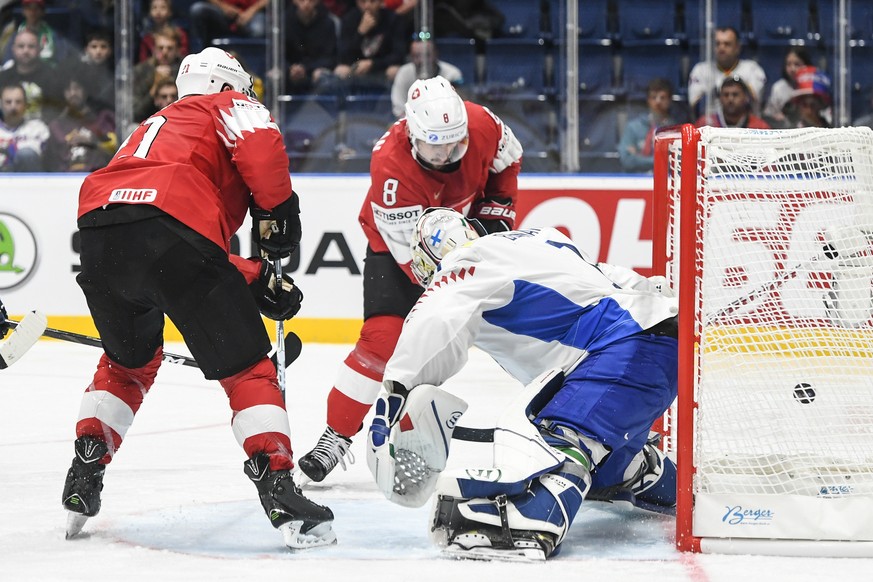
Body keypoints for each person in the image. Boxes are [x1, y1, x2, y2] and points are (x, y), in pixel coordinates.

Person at [60, 47, 336, 549]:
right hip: (172, 234)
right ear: (228, 84)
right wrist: (278, 219)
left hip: (100, 236)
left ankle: (85, 466)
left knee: (127, 365)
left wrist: (253, 278)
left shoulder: (153, 125)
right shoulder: (228, 106)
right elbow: (258, 151)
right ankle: (279, 488)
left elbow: (163, 236)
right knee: (249, 369)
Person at [366, 207, 679, 560]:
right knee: (607, 465)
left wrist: (396, 389)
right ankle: (676, 489)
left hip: (626, 350)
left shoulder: (463, 265)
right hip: (657, 344)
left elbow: (435, 318)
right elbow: (616, 278)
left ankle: (533, 520)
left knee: (562, 437)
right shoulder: (540, 239)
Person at [297, 75, 523, 484]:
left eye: (454, 145)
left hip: (465, 231)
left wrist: (496, 210)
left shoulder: (483, 124)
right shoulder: (391, 169)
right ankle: (337, 435)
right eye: (434, 146)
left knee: (520, 327)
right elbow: (414, 264)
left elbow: (508, 161)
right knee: (384, 340)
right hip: (398, 250)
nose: (445, 156)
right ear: (412, 133)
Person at [687, 26, 767, 118]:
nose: (721, 48)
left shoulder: (752, 69)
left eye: (727, 44)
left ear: (737, 47)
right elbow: (695, 105)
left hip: (744, 127)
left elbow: (754, 102)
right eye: (717, 44)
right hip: (710, 126)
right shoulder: (700, 70)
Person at [331, 0, 407, 94]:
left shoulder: (393, 19)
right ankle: (344, 107)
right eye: (363, 2)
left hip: (382, 68)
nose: (367, 5)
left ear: (380, 2)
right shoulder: (349, 19)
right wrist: (360, 33)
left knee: (395, 71)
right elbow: (343, 56)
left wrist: (373, 64)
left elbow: (399, 54)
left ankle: (391, 105)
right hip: (355, 68)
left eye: (372, 1)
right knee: (341, 71)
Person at [46, 77, 117, 172]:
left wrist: (93, 141)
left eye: (77, 88)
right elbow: (51, 162)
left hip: (98, 176)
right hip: (64, 180)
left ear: (86, 90)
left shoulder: (104, 118)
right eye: (68, 90)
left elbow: (116, 149)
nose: (73, 93)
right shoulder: (56, 126)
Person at [618, 78, 681, 173]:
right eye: (654, 97)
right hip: (636, 182)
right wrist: (662, 160)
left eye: (662, 97)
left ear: (669, 100)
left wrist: (638, 157)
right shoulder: (633, 127)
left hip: (667, 181)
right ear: (648, 100)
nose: (658, 102)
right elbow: (627, 160)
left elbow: (680, 162)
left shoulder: (677, 131)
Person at [0, 28, 63, 121]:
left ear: (39, 49)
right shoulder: (3, 77)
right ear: (13, 49)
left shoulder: (52, 77)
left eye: (31, 46)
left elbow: (57, 112)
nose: (26, 51)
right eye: (21, 46)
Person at [390, 39, 463, 118]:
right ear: (411, 57)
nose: (422, 60)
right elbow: (399, 108)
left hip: (445, 123)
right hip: (412, 124)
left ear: (436, 54)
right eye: (417, 56)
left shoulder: (452, 74)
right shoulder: (404, 73)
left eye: (427, 55)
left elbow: (458, 108)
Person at [284, 0, 338, 95]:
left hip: (315, 69)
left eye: (310, 0)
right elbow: (277, 54)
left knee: (323, 76)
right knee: (274, 74)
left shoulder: (328, 22)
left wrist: (307, 68)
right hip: (290, 70)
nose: (306, 4)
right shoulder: (284, 22)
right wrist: (290, 68)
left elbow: (330, 57)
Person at [60, 28, 115, 116]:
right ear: (86, 49)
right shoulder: (77, 70)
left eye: (103, 47)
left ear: (110, 51)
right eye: (94, 47)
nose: (98, 51)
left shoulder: (116, 74)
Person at [133, 25, 183, 122]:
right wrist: (154, 84)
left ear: (177, 50)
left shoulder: (185, 70)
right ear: (154, 49)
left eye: (169, 48)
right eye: (161, 48)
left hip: (179, 120)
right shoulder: (141, 71)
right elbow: (136, 113)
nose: (164, 52)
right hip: (147, 122)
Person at [0, 82, 50, 171]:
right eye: (8, 102)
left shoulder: (38, 128)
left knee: (26, 154)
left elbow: (37, 158)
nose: (13, 107)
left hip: (29, 181)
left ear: (25, 105)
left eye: (18, 102)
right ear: (1, 105)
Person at [188, 0, 267, 53]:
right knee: (198, 9)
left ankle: (255, 68)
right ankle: (200, 56)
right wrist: (224, 7)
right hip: (222, 12)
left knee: (258, 29)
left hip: (252, 14)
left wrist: (252, 10)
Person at [762, 46, 812, 128]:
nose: (792, 69)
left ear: (806, 65)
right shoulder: (778, 87)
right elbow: (768, 115)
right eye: (789, 64)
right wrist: (776, 117)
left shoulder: (813, 87)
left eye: (797, 64)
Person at [694, 75, 771, 129]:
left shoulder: (760, 127)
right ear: (720, 98)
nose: (730, 99)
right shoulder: (705, 124)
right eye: (726, 95)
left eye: (735, 94)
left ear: (746, 98)